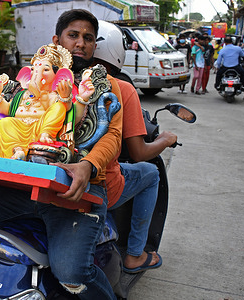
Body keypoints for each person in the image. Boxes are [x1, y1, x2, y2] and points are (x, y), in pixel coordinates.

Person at [0, 9, 123, 300]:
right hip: (21, 186)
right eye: (73, 35)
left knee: (72, 273)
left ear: (94, 46)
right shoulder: (28, 87)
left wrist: (88, 165)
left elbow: (112, 136)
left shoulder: (104, 86)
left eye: (88, 38)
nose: (81, 43)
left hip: (74, 193)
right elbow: (2, 125)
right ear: (57, 41)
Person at [93, 21, 177, 273]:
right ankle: (135, 254)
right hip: (99, 185)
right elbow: (139, 152)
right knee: (150, 174)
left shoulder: (59, 82)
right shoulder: (121, 88)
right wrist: (166, 140)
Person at [214, 36, 244, 100]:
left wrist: (218, 67)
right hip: (236, 67)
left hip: (225, 67)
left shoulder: (223, 50)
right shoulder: (238, 48)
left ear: (224, 42)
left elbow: (219, 62)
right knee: (243, 75)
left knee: (218, 74)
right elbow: (243, 56)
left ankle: (217, 86)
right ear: (232, 41)